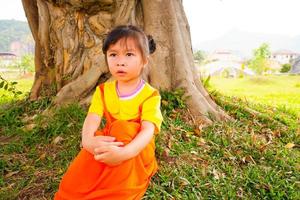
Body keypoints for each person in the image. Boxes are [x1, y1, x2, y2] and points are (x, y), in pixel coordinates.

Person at [54, 25, 163, 200]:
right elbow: (93, 117)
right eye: (113, 55)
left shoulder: (150, 95)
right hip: (112, 142)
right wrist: (88, 141)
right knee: (72, 185)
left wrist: (123, 154)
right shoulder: (103, 90)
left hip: (134, 151)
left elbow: (147, 131)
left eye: (129, 54)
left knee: (123, 128)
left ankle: (117, 188)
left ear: (144, 61)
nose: (120, 61)